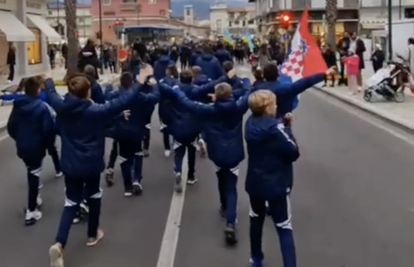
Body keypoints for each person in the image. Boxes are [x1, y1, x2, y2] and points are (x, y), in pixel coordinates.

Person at [44, 66, 154, 267]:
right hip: (92, 163)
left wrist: (49, 80)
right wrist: (140, 81)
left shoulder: (61, 107)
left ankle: (59, 243)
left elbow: (51, 95)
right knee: (94, 195)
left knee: (70, 203)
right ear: (87, 92)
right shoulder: (95, 110)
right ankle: (92, 234)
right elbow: (123, 101)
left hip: (70, 163)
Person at [160, 69, 249, 245]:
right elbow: (248, 92)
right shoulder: (238, 108)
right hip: (234, 153)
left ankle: (223, 205)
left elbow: (187, 103)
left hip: (216, 152)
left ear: (215, 96)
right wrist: (244, 79)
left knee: (220, 179)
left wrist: (177, 91)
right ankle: (231, 222)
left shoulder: (208, 110)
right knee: (232, 187)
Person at [245, 90, 299, 267]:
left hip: (255, 182)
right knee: (284, 227)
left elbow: (267, 133)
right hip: (277, 184)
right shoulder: (276, 129)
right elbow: (293, 152)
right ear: (267, 107)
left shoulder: (250, 123)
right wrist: (288, 127)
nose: (277, 106)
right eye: (274, 104)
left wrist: (281, 124)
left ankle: (256, 258)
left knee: (256, 220)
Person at [7, 77, 56, 225]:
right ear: (38, 90)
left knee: (32, 172)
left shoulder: (17, 106)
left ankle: (35, 198)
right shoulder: (42, 108)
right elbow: (49, 130)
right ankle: (31, 211)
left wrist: (20, 139)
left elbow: (11, 127)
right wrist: (46, 145)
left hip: (22, 147)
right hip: (36, 147)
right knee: (34, 175)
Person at [111, 72, 159, 196]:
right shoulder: (139, 96)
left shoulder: (116, 95)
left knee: (123, 158)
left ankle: (127, 186)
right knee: (138, 154)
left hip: (121, 132)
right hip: (137, 130)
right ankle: (137, 179)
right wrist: (154, 86)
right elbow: (153, 99)